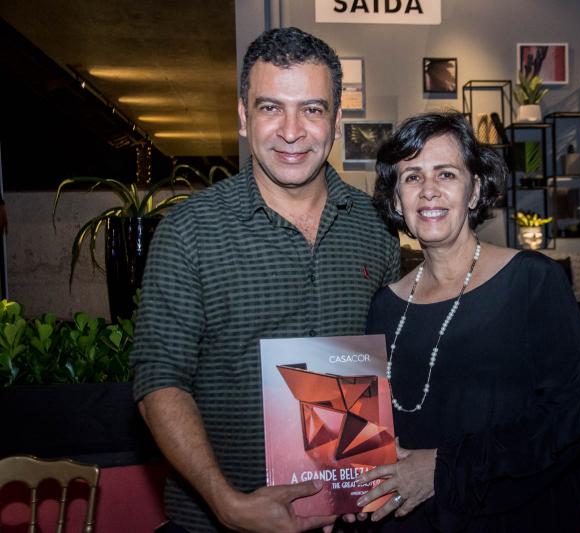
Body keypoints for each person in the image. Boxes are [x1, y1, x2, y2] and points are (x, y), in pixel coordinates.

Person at [131, 27, 400, 533]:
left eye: (312, 109)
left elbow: (391, 367)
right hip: (217, 523)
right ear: (242, 116)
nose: (291, 131)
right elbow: (159, 381)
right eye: (271, 107)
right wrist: (227, 503)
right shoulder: (190, 231)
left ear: (337, 120)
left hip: (351, 515)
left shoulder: (376, 227)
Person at [354, 112, 580, 531]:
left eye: (446, 174)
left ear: (474, 191)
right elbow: (370, 427)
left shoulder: (531, 281)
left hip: (514, 518)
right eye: (412, 177)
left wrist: (444, 467)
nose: (429, 190)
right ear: (397, 201)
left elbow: (573, 413)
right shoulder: (385, 305)